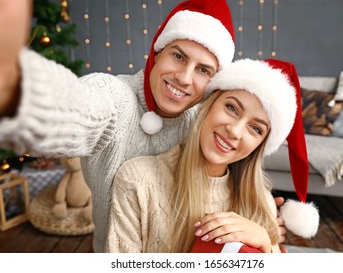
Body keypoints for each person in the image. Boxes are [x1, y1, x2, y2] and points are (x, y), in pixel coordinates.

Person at [0, 0, 296, 252]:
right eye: (178, 56)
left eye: (204, 70)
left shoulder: (206, 118)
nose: (185, 78)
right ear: (156, 51)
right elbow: (73, 108)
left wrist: (265, 233)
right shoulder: (114, 98)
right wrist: (10, 89)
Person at [105, 58, 319, 253]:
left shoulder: (262, 201)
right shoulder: (137, 179)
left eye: (256, 129)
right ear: (208, 105)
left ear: (260, 145)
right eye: (232, 108)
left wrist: (265, 244)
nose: (234, 131)